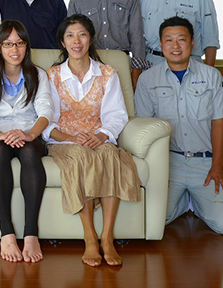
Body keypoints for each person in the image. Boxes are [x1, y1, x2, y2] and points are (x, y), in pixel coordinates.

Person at [42, 14, 141, 266]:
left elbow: (116, 115)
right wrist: (72, 137)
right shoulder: (51, 76)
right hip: (65, 141)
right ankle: (89, 237)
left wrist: (100, 136)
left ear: (91, 39)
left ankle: (107, 238)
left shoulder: (108, 73)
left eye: (82, 34)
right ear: (62, 43)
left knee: (111, 156)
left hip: (99, 137)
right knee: (81, 157)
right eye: (70, 36)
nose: (77, 41)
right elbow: (47, 120)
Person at [134, 16, 223, 235]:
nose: (175, 46)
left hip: (206, 163)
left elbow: (219, 123)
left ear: (192, 43)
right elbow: (143, 129)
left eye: (181, 39)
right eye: (169, 40)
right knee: (150, 221)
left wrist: (218, 166)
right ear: (161, 45)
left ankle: (199, 201)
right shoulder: (147, 80)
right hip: (168, 162)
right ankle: (185, 202)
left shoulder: (211, 76)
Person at [0, 20, 52, 263]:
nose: (14, 50)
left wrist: (29, 134)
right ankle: (6, 233)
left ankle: (31, 234)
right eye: (8, 44)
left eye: (19, 43)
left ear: (27, 46)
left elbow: (45, 111)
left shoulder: (38, 74)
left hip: (29, 134)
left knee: (30, 153)